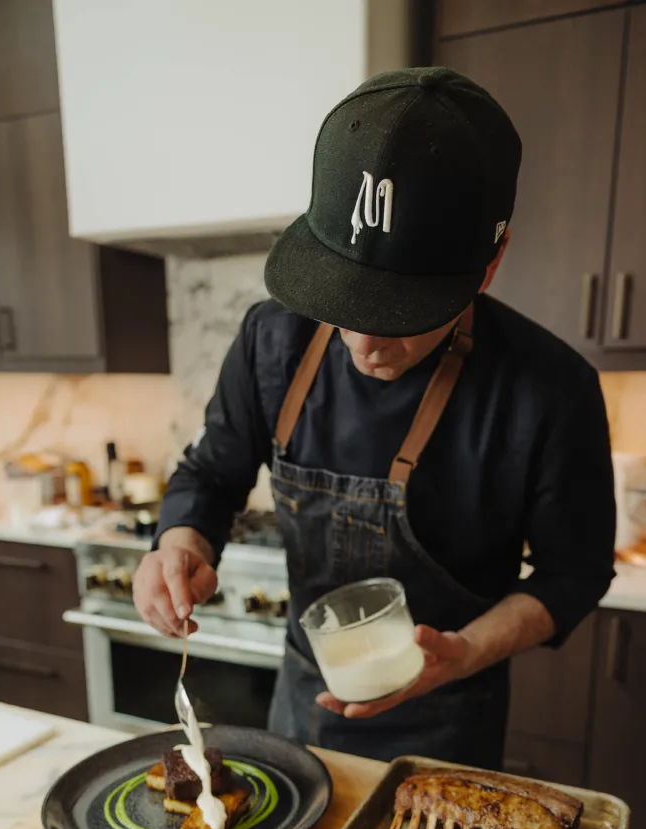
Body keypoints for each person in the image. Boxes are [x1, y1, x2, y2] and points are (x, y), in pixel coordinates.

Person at [133, 67, 615, 768]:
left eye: (400, 313)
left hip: (450, 718)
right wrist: (180, 545)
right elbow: (212, 473)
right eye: (342, 300)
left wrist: (464, 651)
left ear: (490, 264)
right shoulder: (273, 338)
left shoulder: (550, 389)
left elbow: (574, 572)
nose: (363, 343)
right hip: (301, 700)